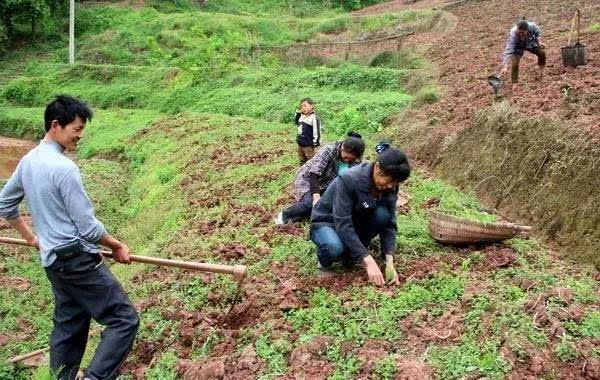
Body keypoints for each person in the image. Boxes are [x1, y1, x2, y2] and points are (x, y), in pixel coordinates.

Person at [0, 95, 139, 380]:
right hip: (77, 261)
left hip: (53, 261)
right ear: (56, 126)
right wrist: (117, 245)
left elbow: (5, 204)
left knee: (70, 325)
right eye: (76, 128)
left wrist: (31, 239)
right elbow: (88, 228)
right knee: (124, 320)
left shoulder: (29, 161)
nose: (80, 135)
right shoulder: (64, 168)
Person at [310, 142, 411, 286]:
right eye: (389, 181)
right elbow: (343, 222)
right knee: (334, 247)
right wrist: (368, 261)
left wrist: (389, 262)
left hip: (356, 219)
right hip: (329, 221)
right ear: (377, 167)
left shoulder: (391, 185)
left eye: (395, 183)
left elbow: (389, 223)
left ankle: (353, 253)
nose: (390, 186)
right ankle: (324, 260)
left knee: (383, 215)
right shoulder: (349, 179)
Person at [275, 132, 365, 225]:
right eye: (346, 157)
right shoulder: (328, 150)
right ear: (342, 148)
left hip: (328, 183)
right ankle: (283, 216)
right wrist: (316, 196)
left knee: (331, 207)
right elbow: (313, 174)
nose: (347, 161)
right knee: (310, 204)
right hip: (308, 179)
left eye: (351, 160)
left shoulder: (357, 160)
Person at [500, 19, 546, 88]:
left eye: (523, 32)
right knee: (515, 63)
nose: (521, 34)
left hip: (529, 42)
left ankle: (541, 72)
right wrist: (505, 66)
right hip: (518, 46)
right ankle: (514, 84)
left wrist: (539, 41)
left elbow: (537, 32)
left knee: (542, 53)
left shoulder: (532, 26)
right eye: (519, 32)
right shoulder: (513, 34)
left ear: (527, 30)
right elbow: (509, 49)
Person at [294, 98, 322, 165]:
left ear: (311, 106)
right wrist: (298, 113)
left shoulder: (314, 118)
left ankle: (311, 175)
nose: (303, 108)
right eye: (301, 106)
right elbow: (296, 122)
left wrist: (316, 145)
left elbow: (317, 132)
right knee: (302, 162)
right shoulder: (301, 116)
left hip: (308, 146)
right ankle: (302, 174)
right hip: (300, 144)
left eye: (305, 105)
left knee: (311, 163)